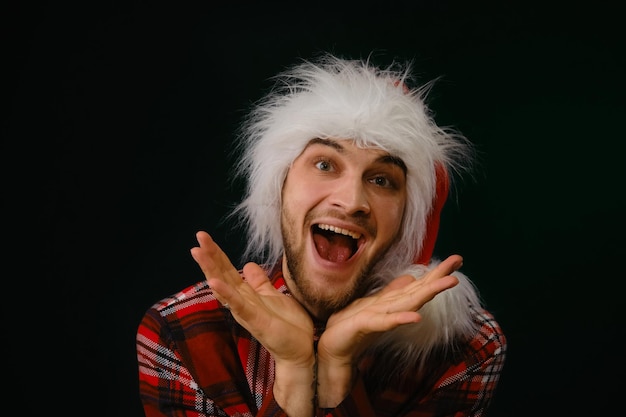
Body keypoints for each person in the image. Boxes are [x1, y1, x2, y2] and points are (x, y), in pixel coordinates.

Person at [136, 52, 507, 417]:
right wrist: (295, 373)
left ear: (407, 219)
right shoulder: (179, 331)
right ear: (279, 187)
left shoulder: (465, 347)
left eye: (382, 180)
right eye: (325, 164)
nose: (351, 201)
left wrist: (336, 373)